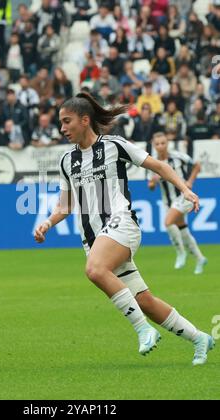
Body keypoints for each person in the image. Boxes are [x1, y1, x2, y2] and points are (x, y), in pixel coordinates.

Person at [34, 92, 215, 366]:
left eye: (66, 121)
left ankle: (143, 330)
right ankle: (200, 338)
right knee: (144, 301)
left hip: (121, 223)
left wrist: (185, 189)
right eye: (61, 123)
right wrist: (47, 223)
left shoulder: (114, 146)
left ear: (85, 120)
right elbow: (65, 204)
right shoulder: (66, 161)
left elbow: (158, 165)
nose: (62, 128)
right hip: (94, 240)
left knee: (94, 270)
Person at [148, 132, 207, 274]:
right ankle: (200, 258)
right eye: (157, 144)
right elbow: (150, 186)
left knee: (168, 222)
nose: (160, 146)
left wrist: (190, 182)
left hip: (183, 196)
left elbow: (197, 165)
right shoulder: (153, 162)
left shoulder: (178, 157)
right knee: (183, 229)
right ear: (153, 146)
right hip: (168, 201)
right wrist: (153, 182)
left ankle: (181, 253)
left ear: (167, 143)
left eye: (163, 143)